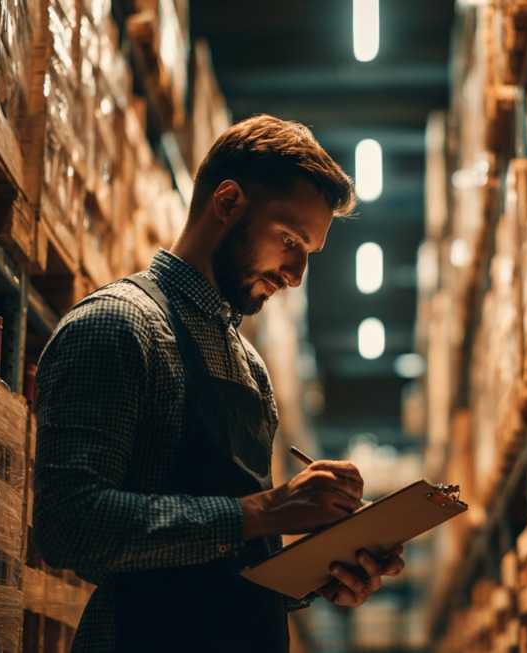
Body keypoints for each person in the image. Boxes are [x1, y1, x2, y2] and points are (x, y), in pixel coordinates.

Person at [33, 115, 404, 653]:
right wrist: (268, 511)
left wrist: (319, 576)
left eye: (309, 252)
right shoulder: (118, 325)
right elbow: (68, 524)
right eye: (289, 239)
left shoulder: (250, 368)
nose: (297, 273)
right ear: (227, 202)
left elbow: (231, 557)